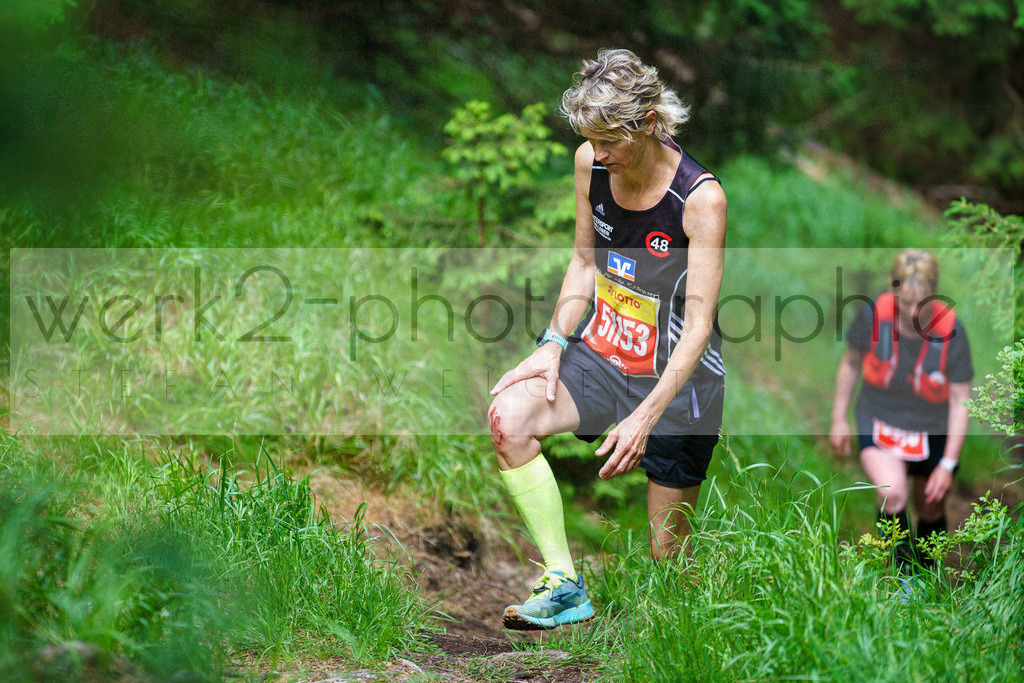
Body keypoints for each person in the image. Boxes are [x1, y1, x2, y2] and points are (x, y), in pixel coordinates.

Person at [487, 48, 727, 630]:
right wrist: (552, 343)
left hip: (678, 383)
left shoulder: (700, 199)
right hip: (604, 353)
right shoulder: (591, 163)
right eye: (590, 140)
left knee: (669, 559)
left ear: (649, 122)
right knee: (508, 419)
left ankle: (694, 642)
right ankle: (564, 585)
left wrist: (644, 417)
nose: (598, 154)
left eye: (609, 141)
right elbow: (583, 261)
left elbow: (699, 327)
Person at [830, 249, 973, 571]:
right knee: (892, 494)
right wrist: (839, 418)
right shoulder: (872, 316)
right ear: (891, 288)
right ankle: (905, 580)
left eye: (921, 303)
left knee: (931, 504)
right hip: (879, 415)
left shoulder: (953, 331)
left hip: (931, 424)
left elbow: (960, 399)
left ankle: (929, 578)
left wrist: (948, 464)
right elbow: (851, 363)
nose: (912, 312)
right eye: (905, 302)